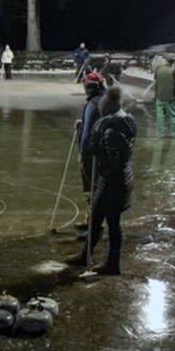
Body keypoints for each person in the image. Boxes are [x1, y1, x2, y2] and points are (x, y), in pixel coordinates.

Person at [66, 86, 136, 275]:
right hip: (120, 180)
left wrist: (95, 147)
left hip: (112, 183)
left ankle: (110, 263)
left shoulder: (112, 129)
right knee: (100, 221)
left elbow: (113, 159)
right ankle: (88, 255)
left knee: (107, 221)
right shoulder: (126, 120)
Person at [72, 71, 106, 233]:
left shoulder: (92, 104)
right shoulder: (107, 101)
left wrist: (82, 153)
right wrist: (83, 122)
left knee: (91, 187)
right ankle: (91, 220)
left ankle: (93, 224)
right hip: (104, 151)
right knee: (98, 186)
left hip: (91, 152)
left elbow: (87, 133)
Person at [153, 56, 175, 137]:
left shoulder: (158, 70)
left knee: (160, 116)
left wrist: (155, 94)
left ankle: (160, 133)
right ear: (173, 62)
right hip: (172, 96)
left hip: (160, 96)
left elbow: (155, 83)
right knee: (174, 115)